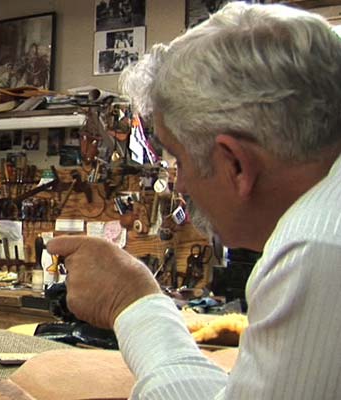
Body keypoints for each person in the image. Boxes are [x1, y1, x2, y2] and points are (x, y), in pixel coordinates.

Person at [47, 3, 341, 399]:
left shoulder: (316, 250)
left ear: (236, 163)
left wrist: (132, 302)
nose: (180, 181)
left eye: (178, 158)